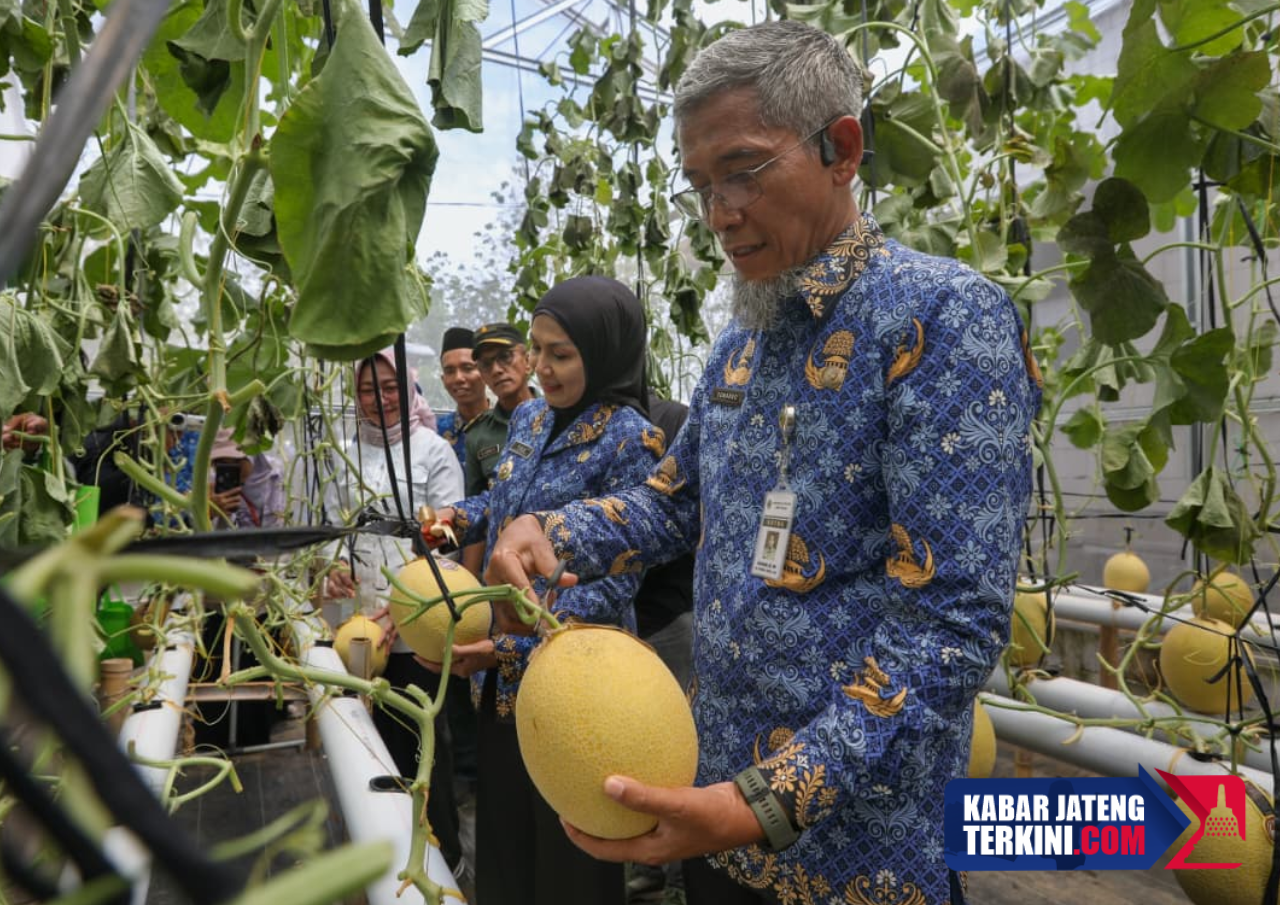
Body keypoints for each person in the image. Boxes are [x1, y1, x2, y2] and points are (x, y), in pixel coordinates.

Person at [483, 20, 1041, 905]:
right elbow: (675, 501)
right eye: (701, 184)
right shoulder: (743, 342)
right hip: (716, 821)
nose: (719, 212)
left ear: (841, 150)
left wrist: (767, 800)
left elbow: (952, 626)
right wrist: (549, 529)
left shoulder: (943, 320)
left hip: (854, 853)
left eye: (743, 169)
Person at [429, 276, 665, 905]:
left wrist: (516, 640)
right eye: (536, 350)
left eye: (560, 354)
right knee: (505, 840)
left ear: (607, 351)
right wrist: (457, 516)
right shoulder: (530, 418)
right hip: (504, 682)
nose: (541, 368)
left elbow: (620, 576)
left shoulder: (631, 439)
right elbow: (509, 501)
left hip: (578, 682)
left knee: (569, 859)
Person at [322, 347, 467, 874]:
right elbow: (330, 528)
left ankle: (442, 857)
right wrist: (332, 563)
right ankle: (381, 862)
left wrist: (399, 611)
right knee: (365, 745)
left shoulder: (432, 451)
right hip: (355, 627)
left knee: (421, 748)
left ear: (409, 390)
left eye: (389, 388)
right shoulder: (339, 454)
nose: (379, 399)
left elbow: (444, 542)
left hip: (414, 626)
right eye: (367, 389)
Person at [462, 323, 535, 498]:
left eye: (505, 357)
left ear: (527, 361)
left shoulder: (558, 416)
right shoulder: (478, 435)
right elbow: (474, 503)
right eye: (486, 365)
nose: (496, 370)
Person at [435, 326, 490, 476]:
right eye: (450, 371)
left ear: (485, 371)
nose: (458, 378)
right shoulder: (435, 433)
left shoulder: (510, 427)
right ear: (443, 379)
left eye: (467, 368)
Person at [206, 429, 285, 529]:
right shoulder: (210, 482)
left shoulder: (275, 472)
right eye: (221, 464)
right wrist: (210, 511)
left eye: (237, 462)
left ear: (252, 455)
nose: (231, 471)